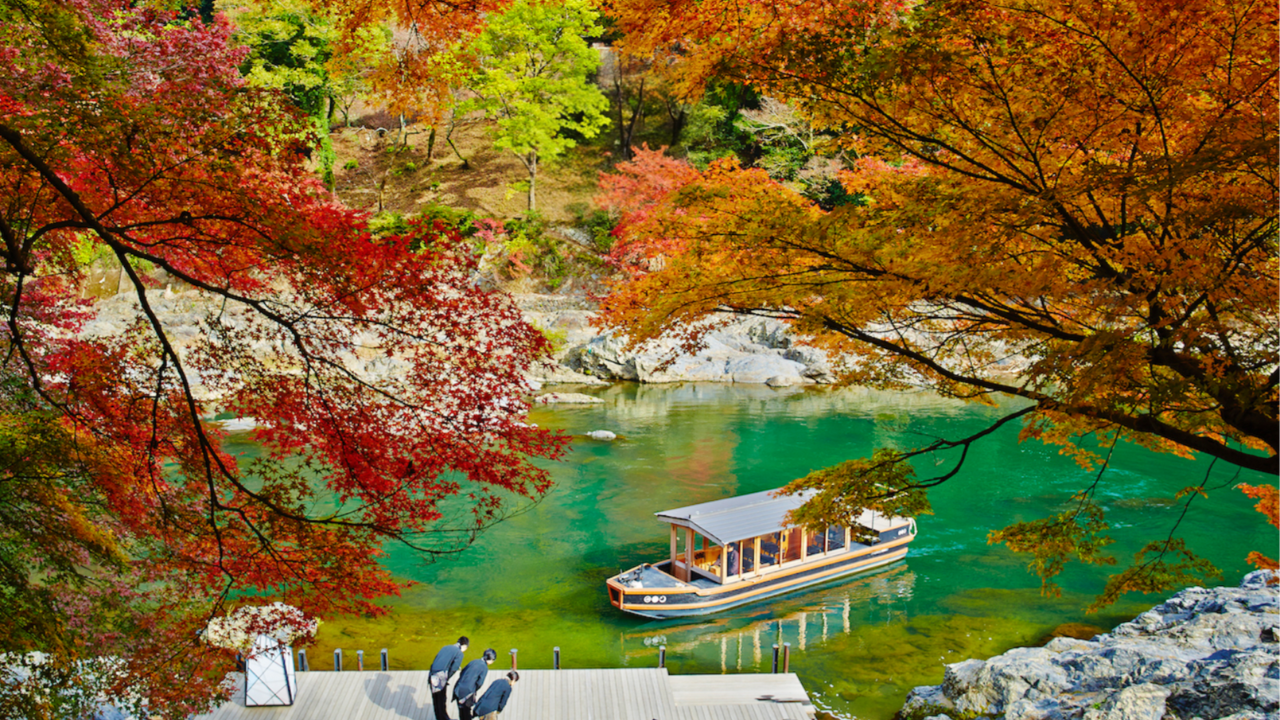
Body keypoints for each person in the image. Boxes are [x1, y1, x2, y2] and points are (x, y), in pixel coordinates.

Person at [429, 636, 469, 720]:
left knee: (436, 699)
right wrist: (447, 678)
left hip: (432, 674)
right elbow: (454, 668)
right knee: (441, 699)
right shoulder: (459, 653)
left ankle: (439, 717)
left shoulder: (446, 647)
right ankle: (443, 718)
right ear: (464, 646)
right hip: (440, 677)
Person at [453, 648, 496, 720]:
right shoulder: (484, 667)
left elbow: (462, 672)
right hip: (468, 692)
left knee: (461, 712)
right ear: (491, 660)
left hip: (458, 688)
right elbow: (479, 683)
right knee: (467, 712)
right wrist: (474, 690)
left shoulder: (474, 661)